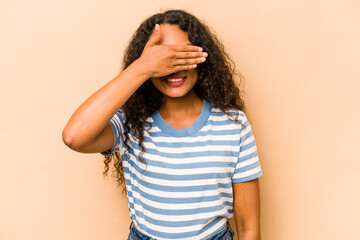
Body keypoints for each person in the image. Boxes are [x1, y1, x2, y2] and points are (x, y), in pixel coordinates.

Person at [62, 9, 263, 240]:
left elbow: (249, 227)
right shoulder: (130, 121)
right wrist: (142, 68)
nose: (173, 68)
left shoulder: (233, 125)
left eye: (181, 55)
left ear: (202, 57)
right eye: (162, 58)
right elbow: (73, 137)